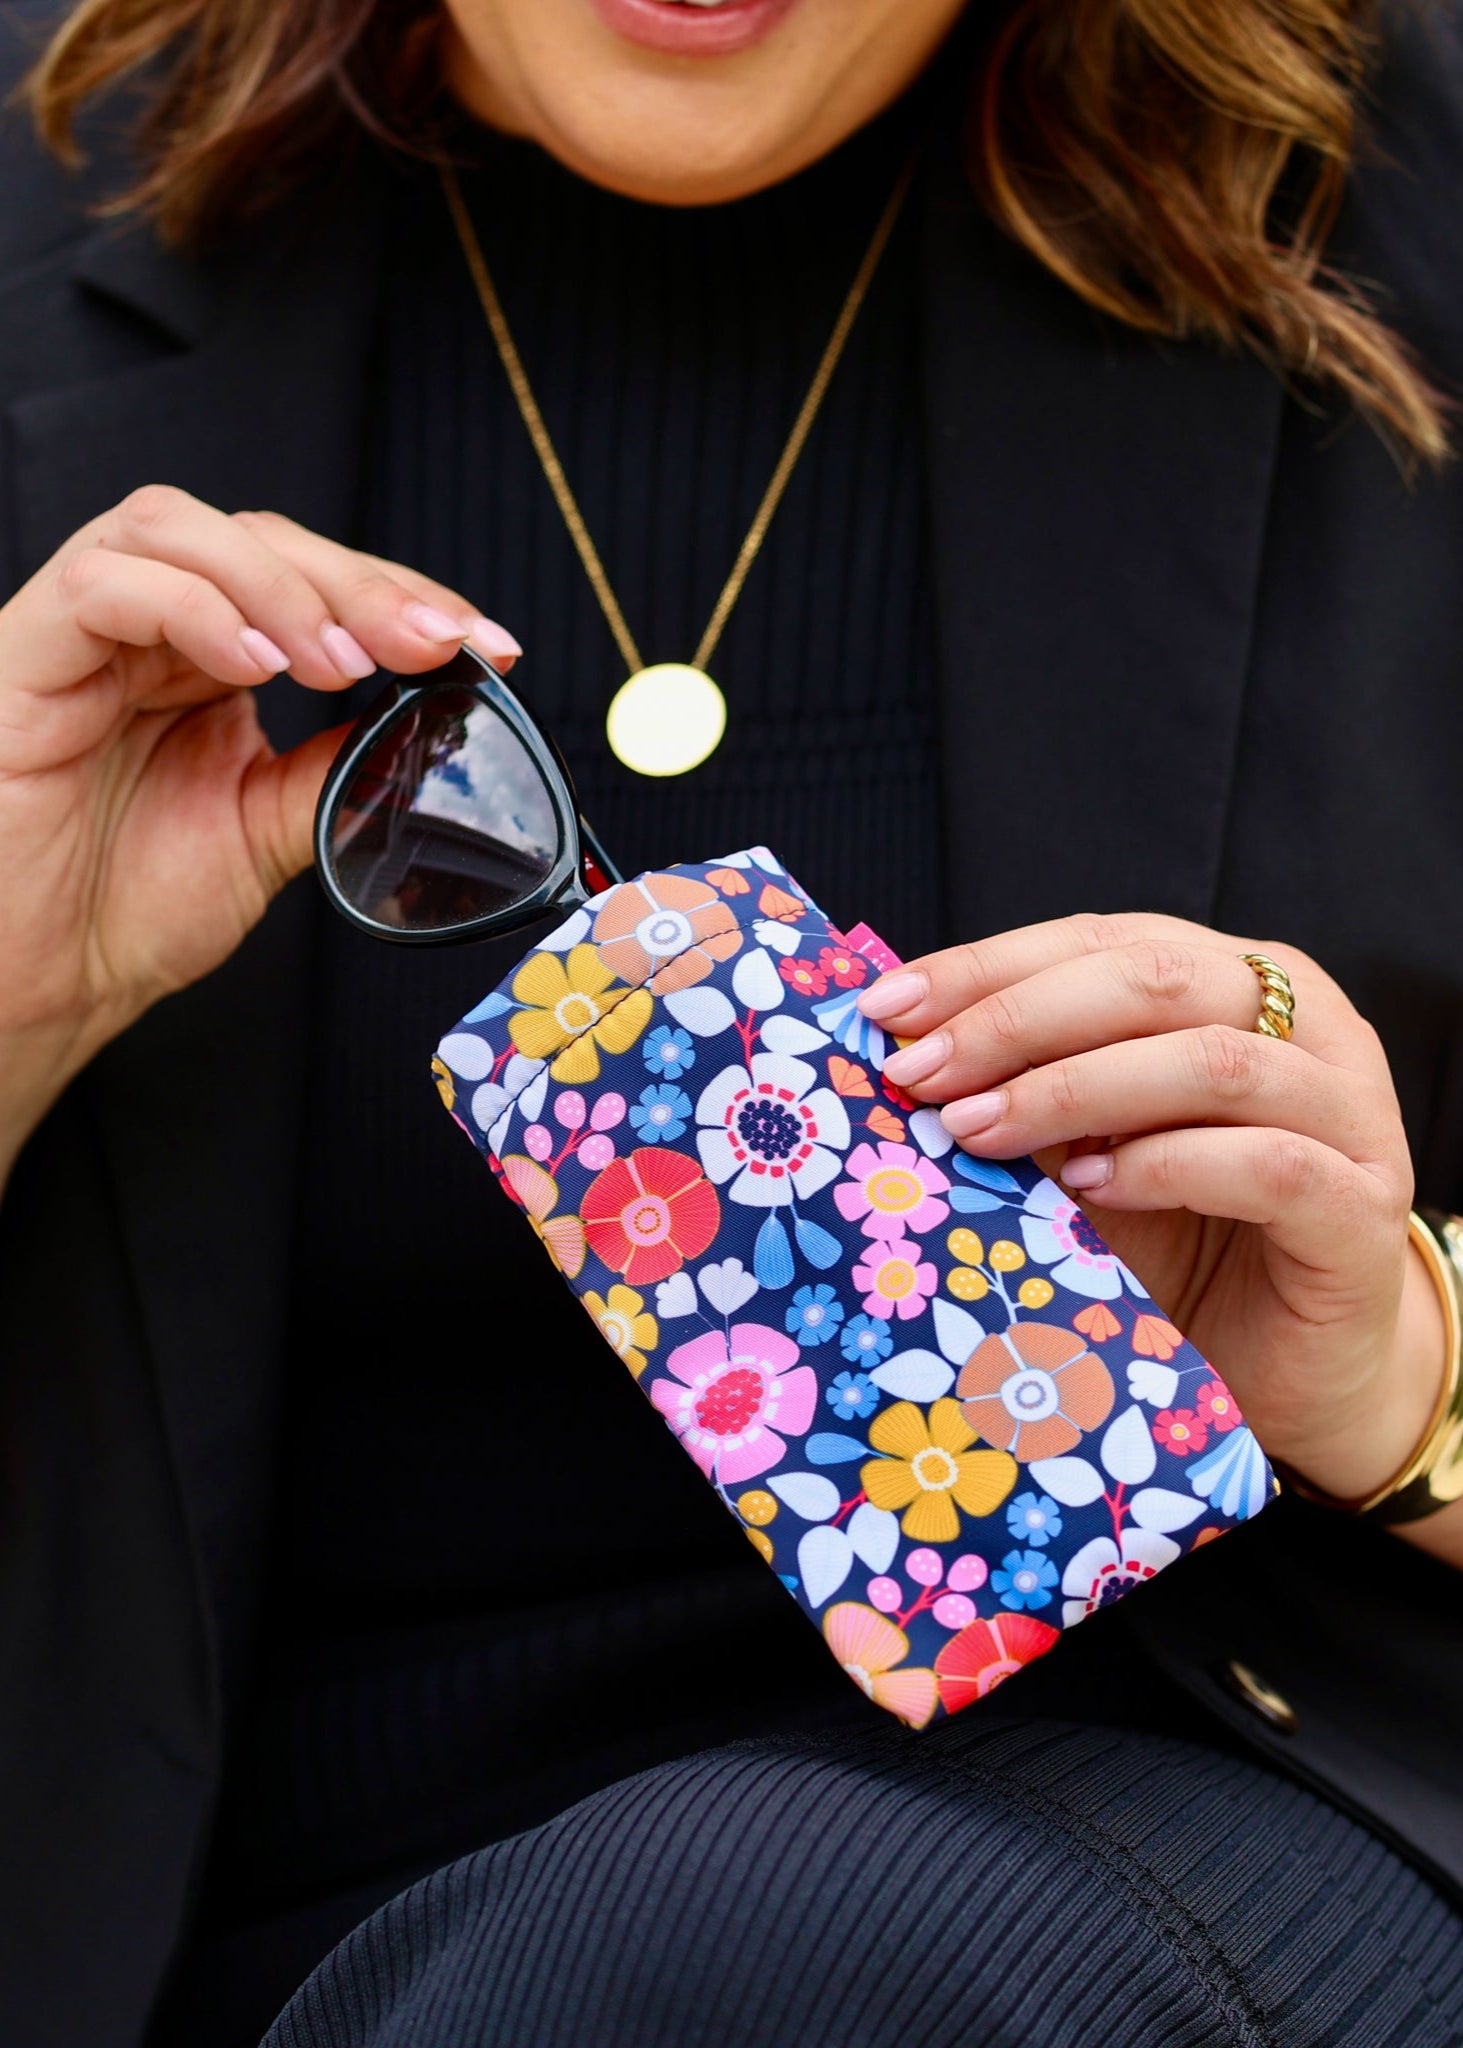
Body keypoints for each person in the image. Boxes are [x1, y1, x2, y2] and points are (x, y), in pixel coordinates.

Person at [1, 0, 1462, 2041]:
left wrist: (1406, 1378)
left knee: (752, 1936)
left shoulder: (1407, 196)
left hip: (1187, 1842)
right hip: (199, 1941)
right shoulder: (43, 201)